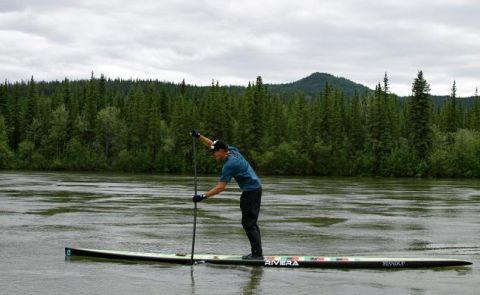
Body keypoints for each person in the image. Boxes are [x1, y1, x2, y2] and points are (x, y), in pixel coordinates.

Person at [190, 130, 263, 260]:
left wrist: (202, 196)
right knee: (250, 223)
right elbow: (212, 144)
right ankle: (257, 253)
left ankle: (257, 255)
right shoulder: (232, 150)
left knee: (249, 224)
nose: (213, 154)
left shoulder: (230, 165)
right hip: (253, 189)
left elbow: (220, 187)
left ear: (222, 151)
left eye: (215, 152)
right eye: (213, 152)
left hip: (251, 192)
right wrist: (199, 136)